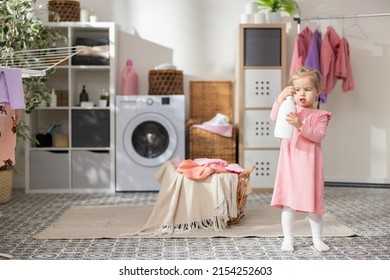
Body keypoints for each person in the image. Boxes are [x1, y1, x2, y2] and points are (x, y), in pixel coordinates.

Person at [270, 66, 332, 252]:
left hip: (309, 167)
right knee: (288, 205)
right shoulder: (288, 109)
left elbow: (318, 135)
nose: (302, 94)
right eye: (297, 90)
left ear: (317, 91)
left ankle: (317, 239)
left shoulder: (320, 115)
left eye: (307, 89)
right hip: (289, 166)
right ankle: (288, 239)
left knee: (314, 206)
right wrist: (280, 98)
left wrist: (299, 124)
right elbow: (274, 116)